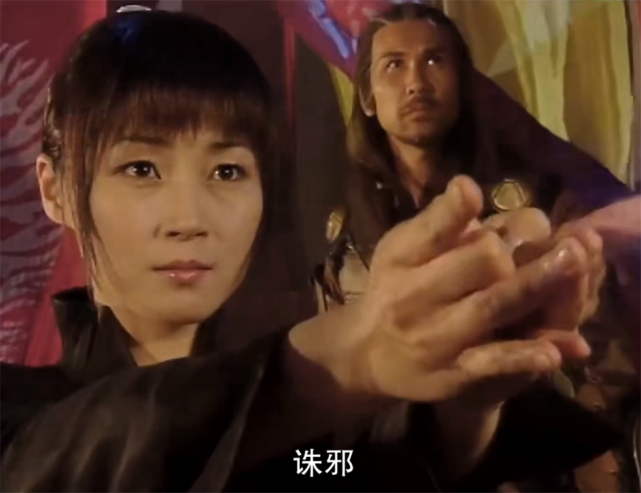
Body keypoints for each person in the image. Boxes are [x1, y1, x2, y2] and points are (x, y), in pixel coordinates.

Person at [0, 8, 619, 492]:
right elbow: (71, 456)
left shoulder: (301, 441)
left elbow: (355, 466)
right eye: (141, 169)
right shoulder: (27, 416)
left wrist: (466, 403)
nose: (189, 220)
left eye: (227, 172)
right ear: (54, 190)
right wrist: (348, 354)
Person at [313, 3, 640, 491]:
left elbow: (605, 346)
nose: (415, 82)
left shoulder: (536, 200)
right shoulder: (347, 238)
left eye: (434, 60)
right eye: (394, 65)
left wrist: (595, 444)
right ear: (367, 97)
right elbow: (340, 393)